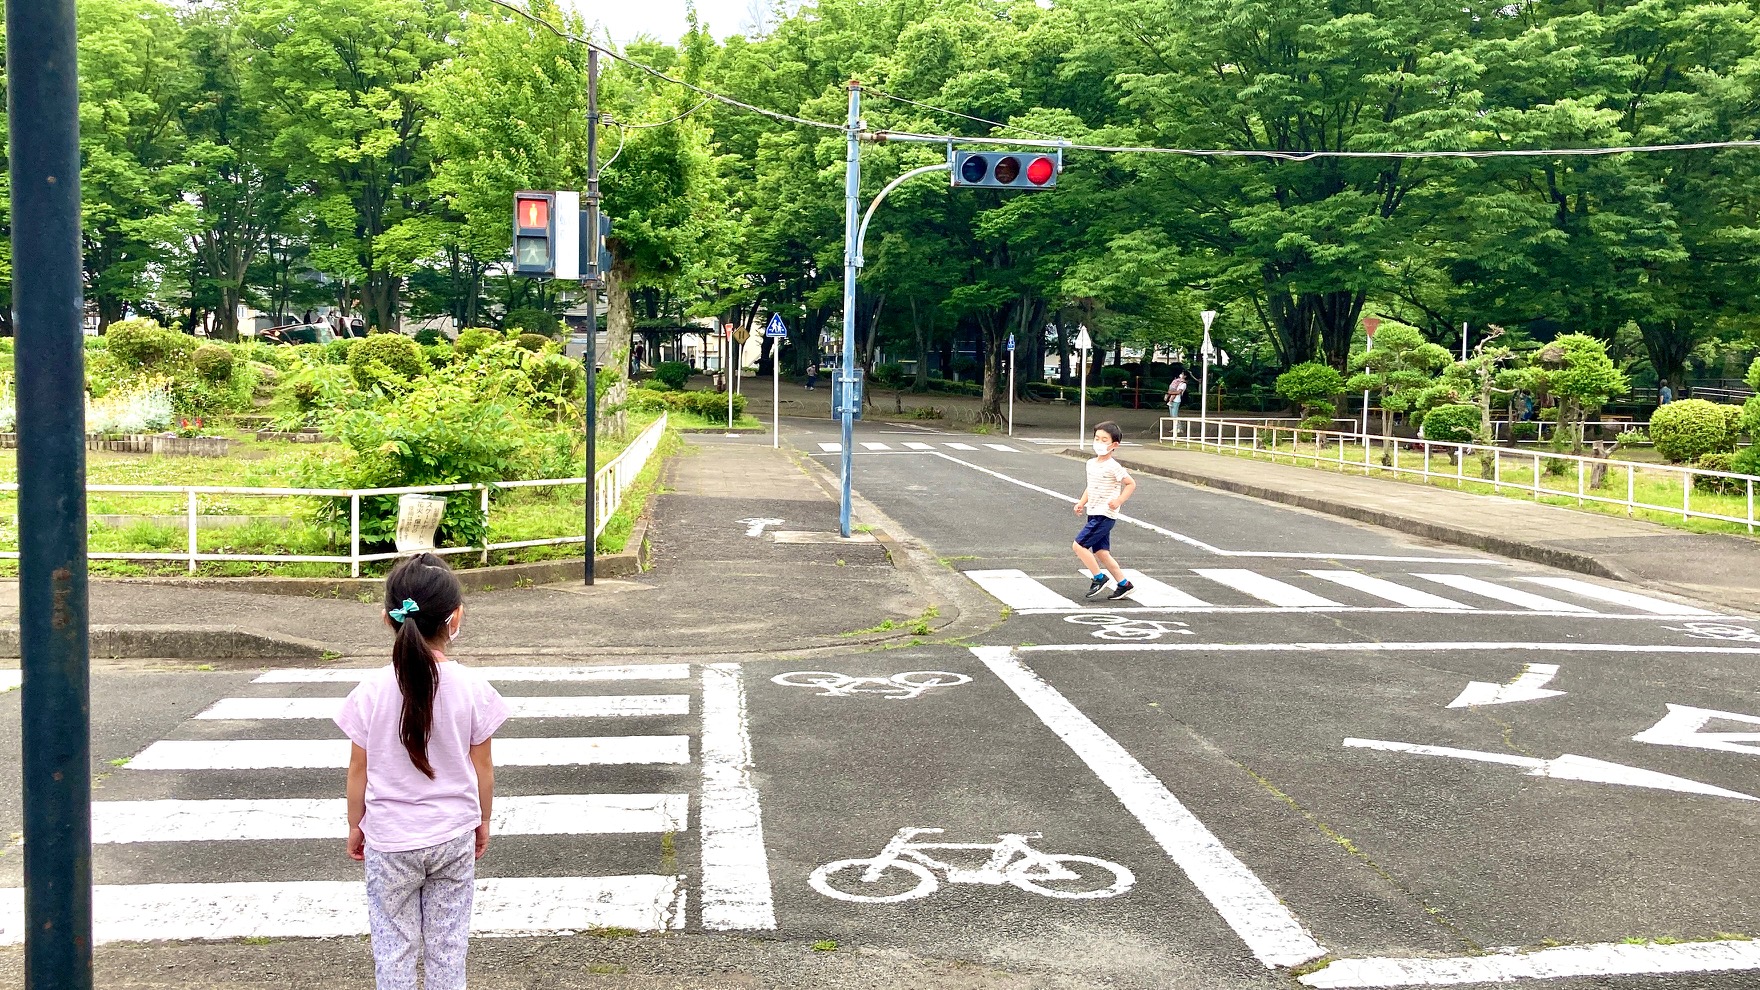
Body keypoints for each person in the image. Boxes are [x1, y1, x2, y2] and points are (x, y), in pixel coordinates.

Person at [337, 553, 510, 990]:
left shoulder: (370, 691)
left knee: (393, 948)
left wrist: (356, 825)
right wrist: (483, 821)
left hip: (389, 838)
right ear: (455, 618)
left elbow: (359, 769)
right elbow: (482, 767)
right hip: (453, 833)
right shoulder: (474, 689)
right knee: (447, 949)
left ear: (388, 619)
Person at [1073, 421, 1137, 601]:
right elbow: (1091, 486)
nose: (1099, 443)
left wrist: (1119, 501)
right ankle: (1124, 584)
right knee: (1101, 552)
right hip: (1093, 511)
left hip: (1105, 514)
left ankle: (1099, 578)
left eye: (1104, 440)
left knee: (1079, 545)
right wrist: (1081, 502)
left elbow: (1130, 483)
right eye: (1097, 438)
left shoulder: (1113, 466)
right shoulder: (1091, 463)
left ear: (1114, 445)